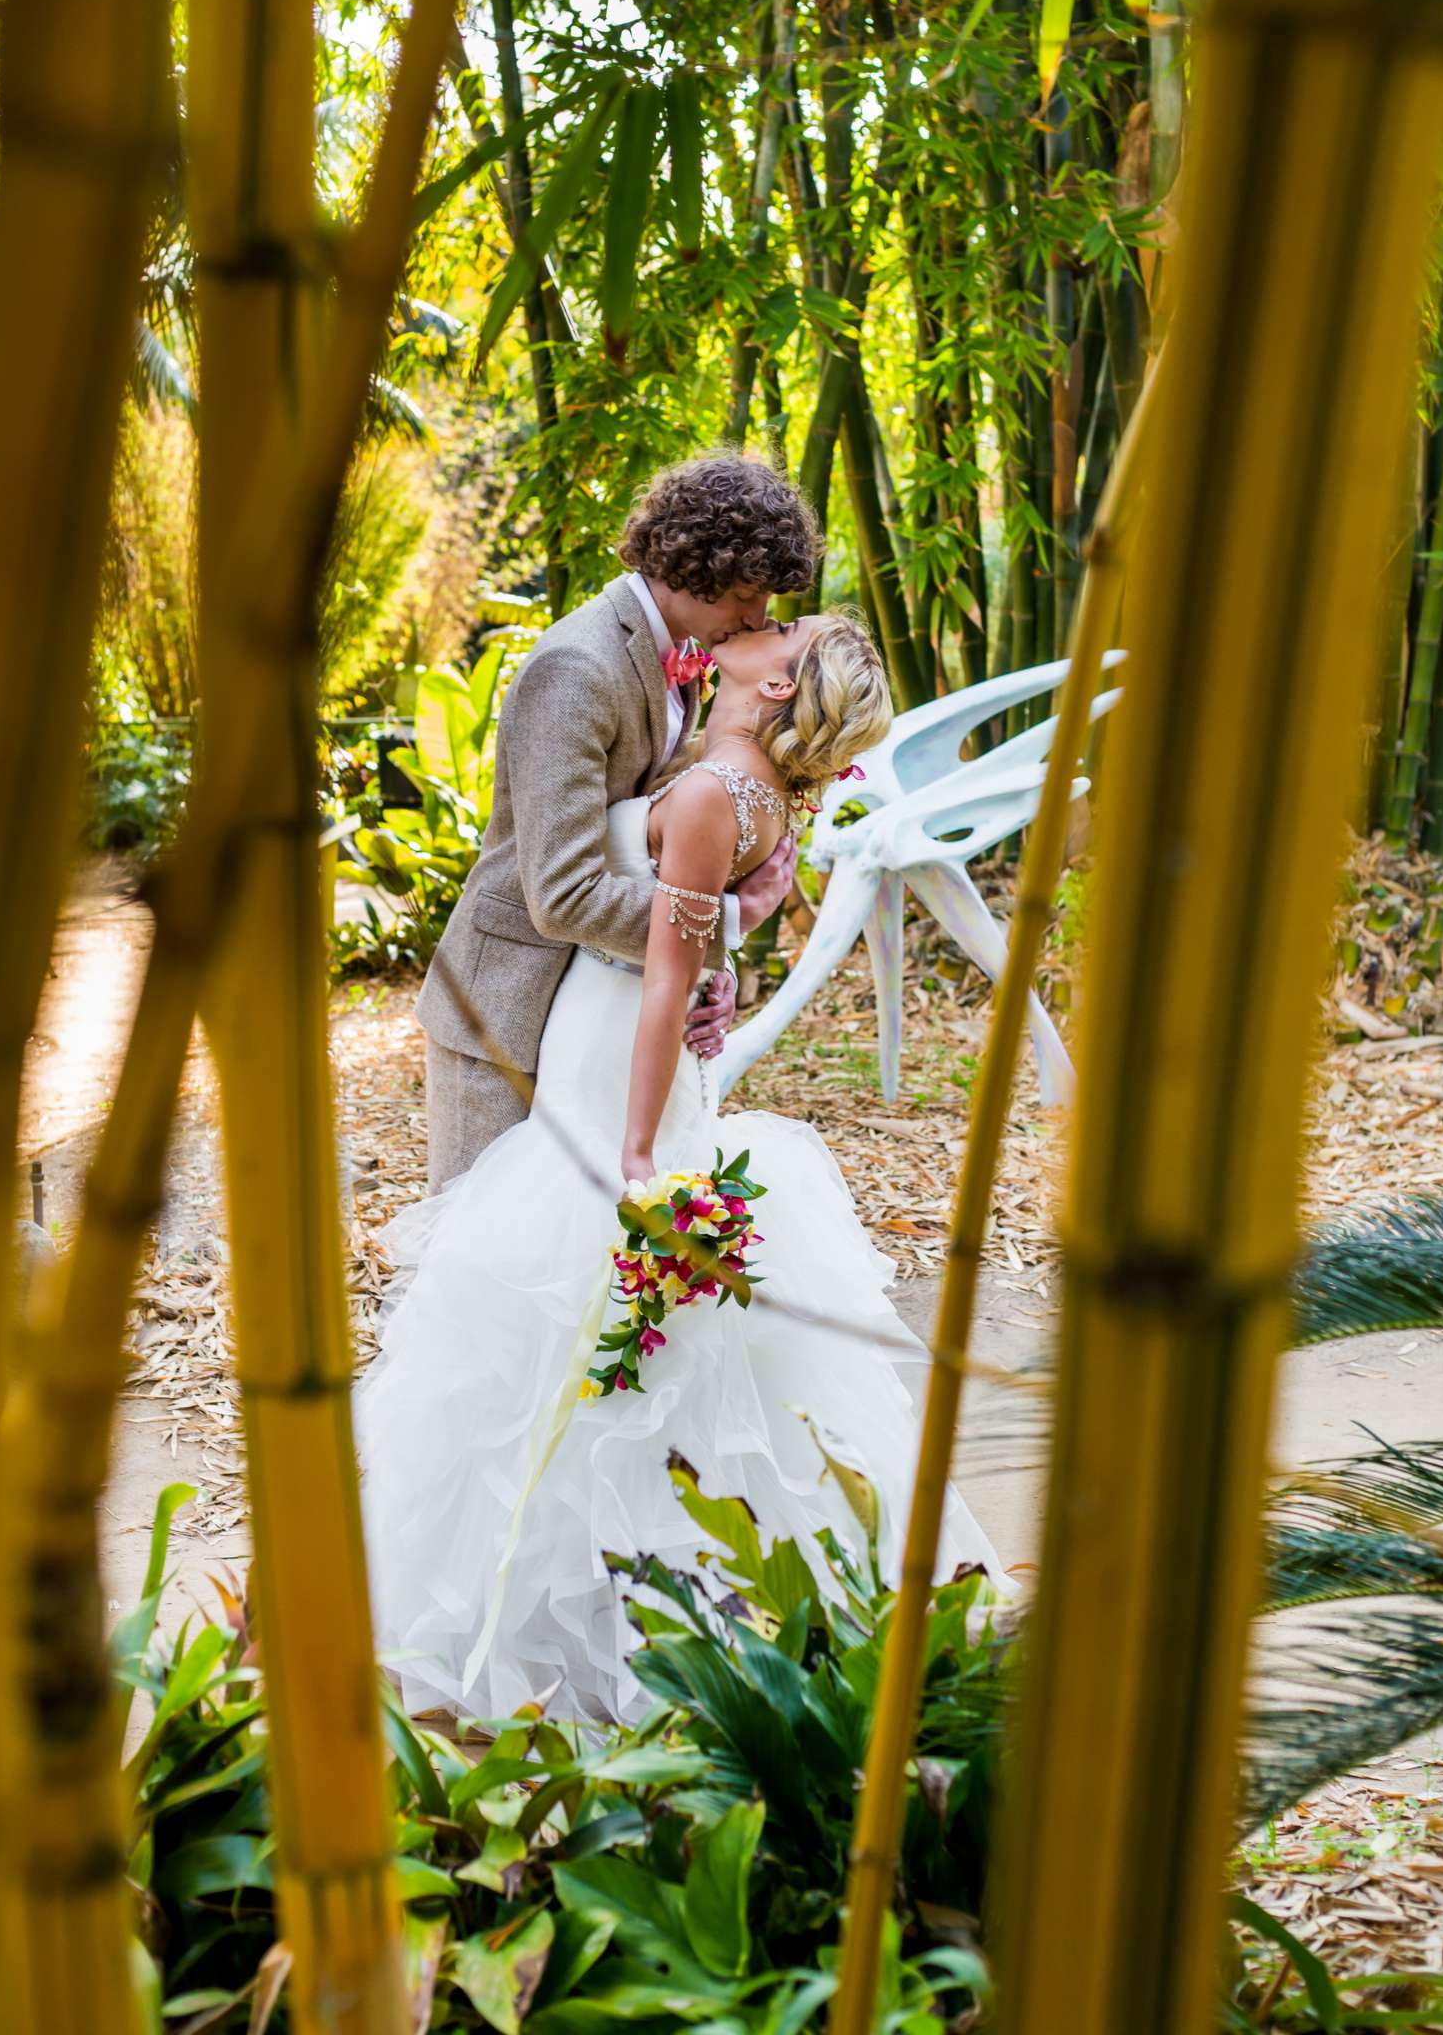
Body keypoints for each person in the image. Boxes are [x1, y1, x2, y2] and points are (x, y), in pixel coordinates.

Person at [358, 608, 1013, 1725]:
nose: (758, 623)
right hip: (606, 1041)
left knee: (579, 1306)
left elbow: (665, 975)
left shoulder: (717, 793)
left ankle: (585, 1621)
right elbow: (701, 933)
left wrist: (629, 1145)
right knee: (597, 1328)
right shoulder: (742, 785)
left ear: (773, 686)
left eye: (779, 630)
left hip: (619, 1059)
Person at [414, 454, 821, 1191]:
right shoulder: (579, 667)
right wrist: (724, 921)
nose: (759, 618)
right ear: (697, 565)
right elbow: (564, 892)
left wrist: (710, 966)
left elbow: (655, 855)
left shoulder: (681, 660)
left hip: (594, 1007)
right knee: (479, 1254)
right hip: (506, 1007)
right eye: (747, 593)